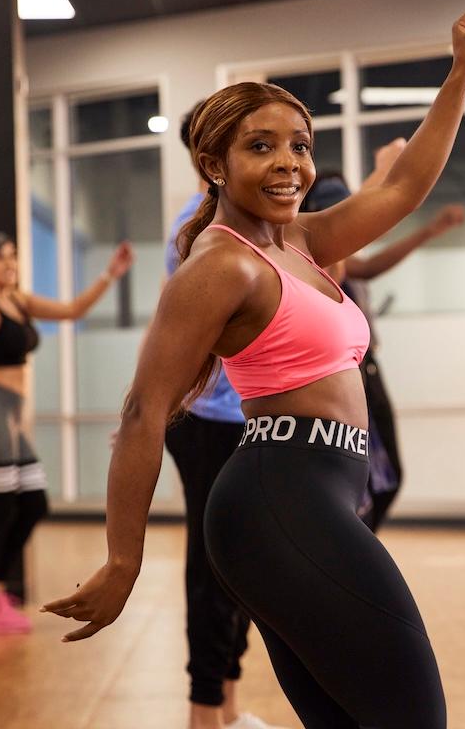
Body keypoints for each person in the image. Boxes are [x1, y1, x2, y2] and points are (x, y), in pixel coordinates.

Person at [43, 0, 465, 729]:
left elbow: (401, 188)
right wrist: (122, 562)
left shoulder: (296, 242)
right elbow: (143, 409)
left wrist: (461, 72)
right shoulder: (221, 265)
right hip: (278, 499)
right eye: (261, 147)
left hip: (309, 494)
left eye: (300, 145)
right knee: (413, 716)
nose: (289, 162)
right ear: (214, 165)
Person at [0, 231, 133, 635]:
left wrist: (110, 274)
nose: (9, 263)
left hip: (7, 415)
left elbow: (72, 310)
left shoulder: (17, 301)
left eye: (13, 255)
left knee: (33, 503)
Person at [159, 107, 285, 729]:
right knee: (212, 568)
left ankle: (229, 705)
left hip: (246, 419)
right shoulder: (199, 230)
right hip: (210, 422)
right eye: (256, 144)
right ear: (208, 157)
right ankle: (204, 711)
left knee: (244, 567)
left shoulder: (256, 223)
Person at [302, 168, 465, 530]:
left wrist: (428, 229)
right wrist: (426, 228)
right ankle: (351, 547)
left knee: (386, 476)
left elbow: (368, 255)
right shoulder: (316, 257)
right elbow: (365, 267)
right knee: (359, 479)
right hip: (341, 374)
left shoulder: (342, 254)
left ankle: (357, 545)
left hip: (367, 367)